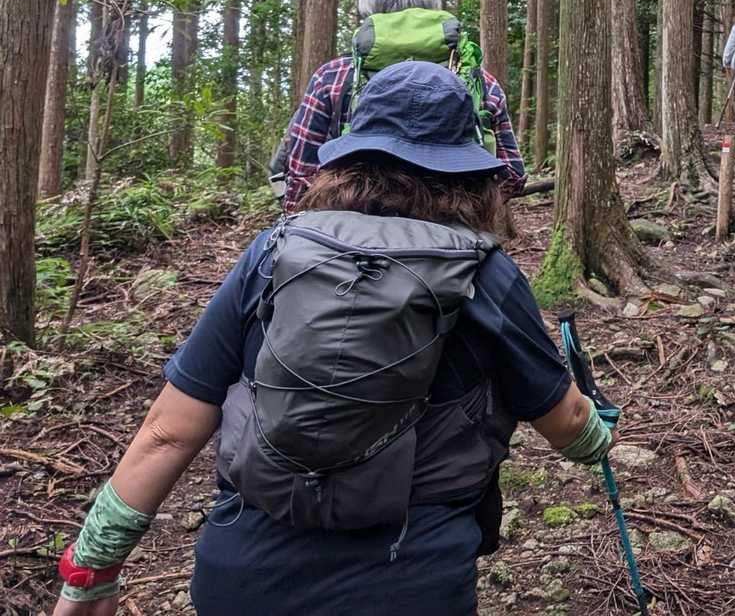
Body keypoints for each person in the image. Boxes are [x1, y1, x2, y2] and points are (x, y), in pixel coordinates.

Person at [51, 62, 613, 616]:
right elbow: (566, 424)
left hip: (245, 577)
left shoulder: (272, 252)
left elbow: (167, 432)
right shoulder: (485, 273)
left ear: (347, 160)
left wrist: (92, 566)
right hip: (411, 581)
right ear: (468, 171)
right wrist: (599, 433)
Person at [278, 0, 524, 210]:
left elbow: (301, 174)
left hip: (351, 225)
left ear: (370, 10)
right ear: (432, 8)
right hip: (455, 227)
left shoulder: (333, 76)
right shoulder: (478, 80)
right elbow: (513, 175)